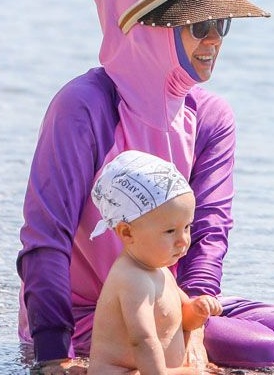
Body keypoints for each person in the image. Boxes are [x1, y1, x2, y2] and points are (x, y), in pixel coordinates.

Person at [18, 0, 274, 374]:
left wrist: (195, 321)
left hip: (177, 300)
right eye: (200, 27)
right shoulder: (84, 107)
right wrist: (53, 356)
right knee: (261, 349)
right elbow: (46, 235)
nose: (215, 39)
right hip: (96, 317)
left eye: (221, 24)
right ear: (148, 31)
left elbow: (210, 230)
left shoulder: (210, 115)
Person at [87, 151, 222, 375]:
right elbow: (142, 339)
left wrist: (197, 310)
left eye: (187, 227)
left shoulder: (160, 270)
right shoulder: (131, 278)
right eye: (170, 231)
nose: (183, 240)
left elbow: (181, 321)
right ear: (127, 232)